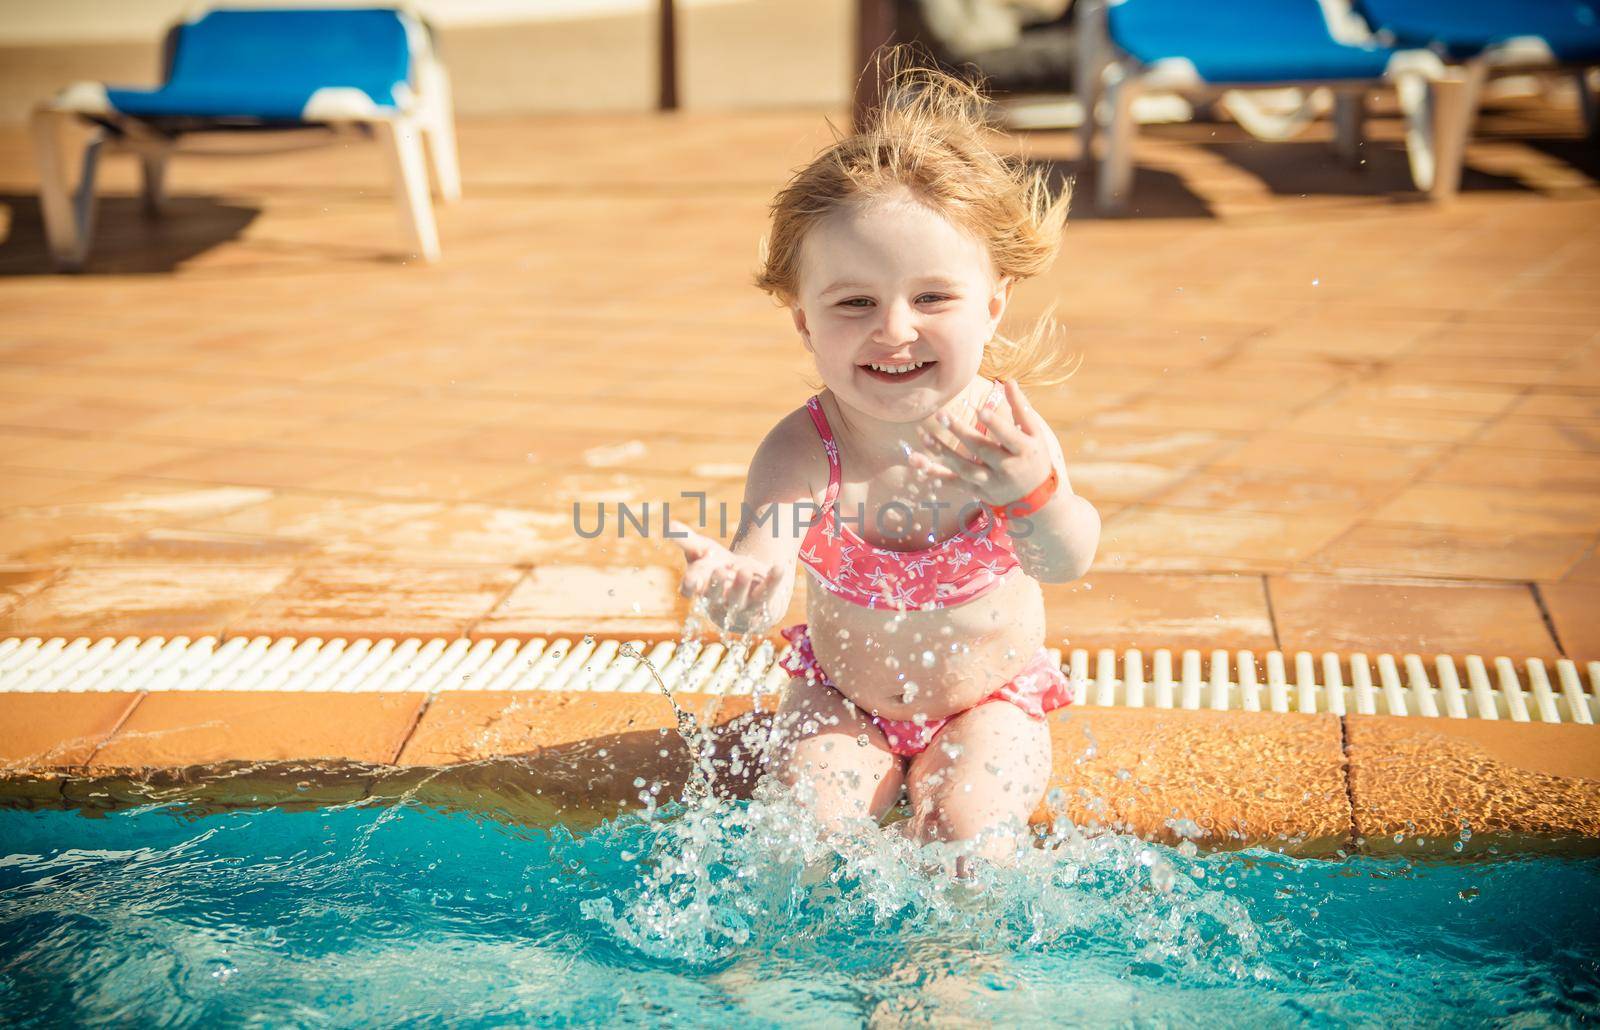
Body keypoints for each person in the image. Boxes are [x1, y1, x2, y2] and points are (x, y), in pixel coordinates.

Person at [668, 45, 1100, 878]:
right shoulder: (802, 450)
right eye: (855, 302)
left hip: (989, 704)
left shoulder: (1006, 435)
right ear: (803, 321)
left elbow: (1068, 558)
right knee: (804, 834)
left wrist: (1031, 493)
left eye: (932, 298)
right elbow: (764, 576)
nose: (895, 329)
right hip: (841, 702)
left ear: (993, 306)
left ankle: (951, 991)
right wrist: (739, 597)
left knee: (969, 836)